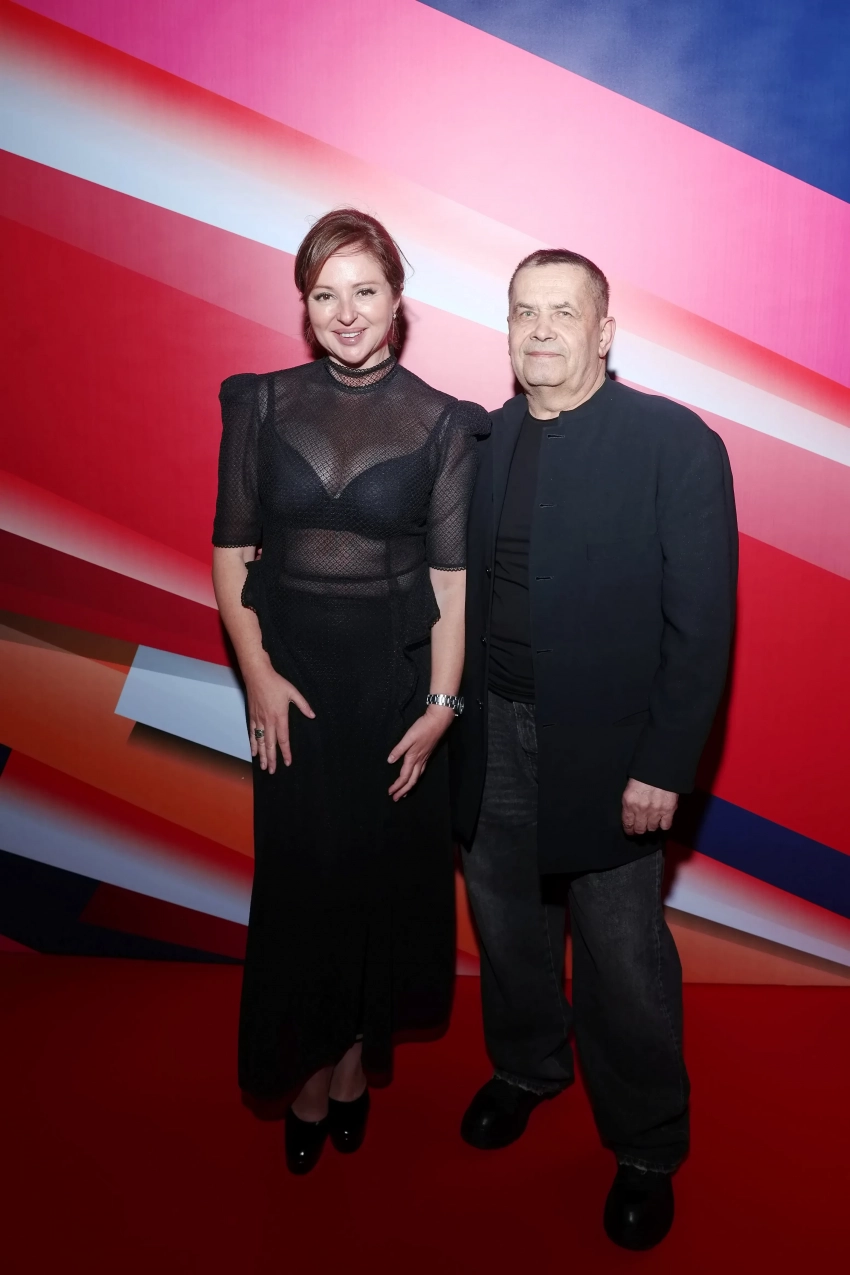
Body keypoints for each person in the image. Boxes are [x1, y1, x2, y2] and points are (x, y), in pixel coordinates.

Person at [451, 249, 737, 1249]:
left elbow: (702, 626)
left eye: (562, 313)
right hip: (490, 732)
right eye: (523, 312)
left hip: (613, 755)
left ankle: (648, 1144)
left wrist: (663, 763)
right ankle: (528, 1066)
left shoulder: (674, 443)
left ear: (604, 331)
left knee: (622, 958)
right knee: (507, 928)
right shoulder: (479, 441)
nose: (539, 330)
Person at [212, 208, 489, 1175]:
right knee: (304, 886)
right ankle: (302, 1066)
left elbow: (451, 583)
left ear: (397, 300)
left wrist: (441, 709)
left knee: (377, 888)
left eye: (364, 289)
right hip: (290, 691)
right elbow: (231, 553)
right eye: (324, 293)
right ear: (305, 305)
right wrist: (258, 675)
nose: (345, 312)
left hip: (395, 694)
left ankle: (348, 1065)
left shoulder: (444, 423)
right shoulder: (261, 404)